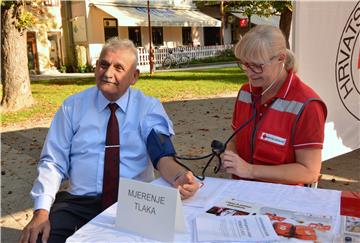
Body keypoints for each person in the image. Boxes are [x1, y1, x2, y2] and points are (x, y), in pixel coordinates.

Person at [20, 38, 199, 243]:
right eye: (103, 64)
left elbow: (161, 155)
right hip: (79, 203)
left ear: (134, 76)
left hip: (133, 202)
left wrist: (179, 176)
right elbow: (53, 162)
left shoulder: (148, 107)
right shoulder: (73, 106)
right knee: (37, 239)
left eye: (118, 68)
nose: (107, 73)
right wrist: (41, 212)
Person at [222, 25, 327, 185]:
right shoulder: (245, 92)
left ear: (281, 58)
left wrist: (250, 170)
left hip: (282, 200)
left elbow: (309, 171)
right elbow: (235, 140)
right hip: (241, 194)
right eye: (245, 64)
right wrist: (229, 157)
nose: (249, 73)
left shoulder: (307, 105)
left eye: (257, 66)